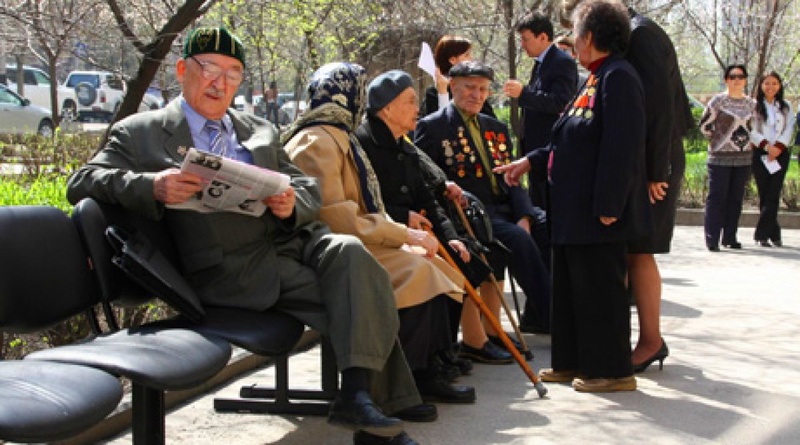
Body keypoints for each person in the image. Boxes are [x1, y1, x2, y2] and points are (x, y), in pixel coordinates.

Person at [66, 27, 421, 445]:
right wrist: (151, 186)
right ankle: (373, 417)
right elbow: (81, 181)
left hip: (293, 240)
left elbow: (307, 188)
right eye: (209, 69)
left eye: (232, 73)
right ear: (182, 71)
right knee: (361, 290)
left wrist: (291, 202)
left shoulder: (258, 128)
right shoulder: (142, 132)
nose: (220, 83)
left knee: (350, 252)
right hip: (233, 266)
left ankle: (360, 400)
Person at [282, 62, 478, 409]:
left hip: (357, 241)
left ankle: (427, 369)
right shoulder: (316, 141)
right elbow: (334, 216)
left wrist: (405, 235)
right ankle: (400, 386)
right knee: (418, 271)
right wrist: (402, 233)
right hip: (330, 251)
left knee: (436, 266)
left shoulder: (337, 135)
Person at [495, 0, 651, 392]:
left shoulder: (619, 76)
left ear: (590, 36)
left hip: (597, 211)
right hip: (570, 210)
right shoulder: (593, 78)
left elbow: (622, 147)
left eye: (576, 32)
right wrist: (530, 161)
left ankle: (611, 371)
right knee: (571, 289)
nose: (573, 39)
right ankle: (572, 361)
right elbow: (568, 140)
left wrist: (610, 204)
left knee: (599, 291)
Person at [561, 0, 695, 373]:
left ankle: (651, 341)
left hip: (654, 161)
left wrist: (657, 172)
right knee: (628, 250)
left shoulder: (642, 34)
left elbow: (660, 108)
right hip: (641, 159)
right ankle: (623, 340)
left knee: (640, 249)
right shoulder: (630, 33)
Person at [356, 70, 513, 366]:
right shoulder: (363, 145)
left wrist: (451, 237)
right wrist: (403, 216)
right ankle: (428, 361)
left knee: (468, 257)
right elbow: (363, 203)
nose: (418, 108)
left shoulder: (404, 144)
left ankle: (445, 350)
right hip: (387, 235)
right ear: (387, 108)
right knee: (437, 268)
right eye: (410, 101)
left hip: (418, 229)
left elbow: (426, 197)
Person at [414, 60, 553, 337]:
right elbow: (425, 178)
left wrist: (525, 215)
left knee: (551, 227)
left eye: (483, 89)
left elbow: (513, 177)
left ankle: (539, 315)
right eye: (470, 88)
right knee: (518, 239)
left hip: (506, 207)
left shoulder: (495, 127)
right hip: (471, 214)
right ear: (453, 86)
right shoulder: (434, 127)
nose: (477, 95)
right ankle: (555, 319)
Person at [502, 10, 577, 209]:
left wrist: (524, 93)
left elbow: (560, 102)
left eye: (526, 39)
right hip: (534, 149)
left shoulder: (562, 62)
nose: (522, 45)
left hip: (549, 149)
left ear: (543, 37)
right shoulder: (541, 63)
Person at [699, 64, 756, 252]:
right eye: (733, 77)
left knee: (736, 198)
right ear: (726, 80)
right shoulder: (718, 101)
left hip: (743, 157)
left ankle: (730, 237)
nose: (737, 80)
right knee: (717, 197)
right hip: (719, 157)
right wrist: (719, 139)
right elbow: (704, 126)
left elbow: (755, 127)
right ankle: (712, 238)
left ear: (745, 80)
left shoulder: (751, 104)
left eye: (740, 76)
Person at [750, 71, 793, 247]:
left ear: (779, 85)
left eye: (774, 83)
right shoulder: (754, 106)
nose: (771, 87)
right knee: (765, 194)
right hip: (761, 153)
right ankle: (774, 234)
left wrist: (778, 148)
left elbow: (789, 128)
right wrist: (767, 147)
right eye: (767, 83)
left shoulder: (786, 106)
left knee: (774, 193)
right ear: (761, 85)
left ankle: (761, 234)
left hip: (780, 154)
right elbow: (751, 130)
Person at [421, 35, 496, 119]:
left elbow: (491, 122)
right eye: (467, 55)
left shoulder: (477, 91)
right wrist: (443, 94)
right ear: (452, 60)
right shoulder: (433, 93)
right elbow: (436, 123)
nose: (471, 59)